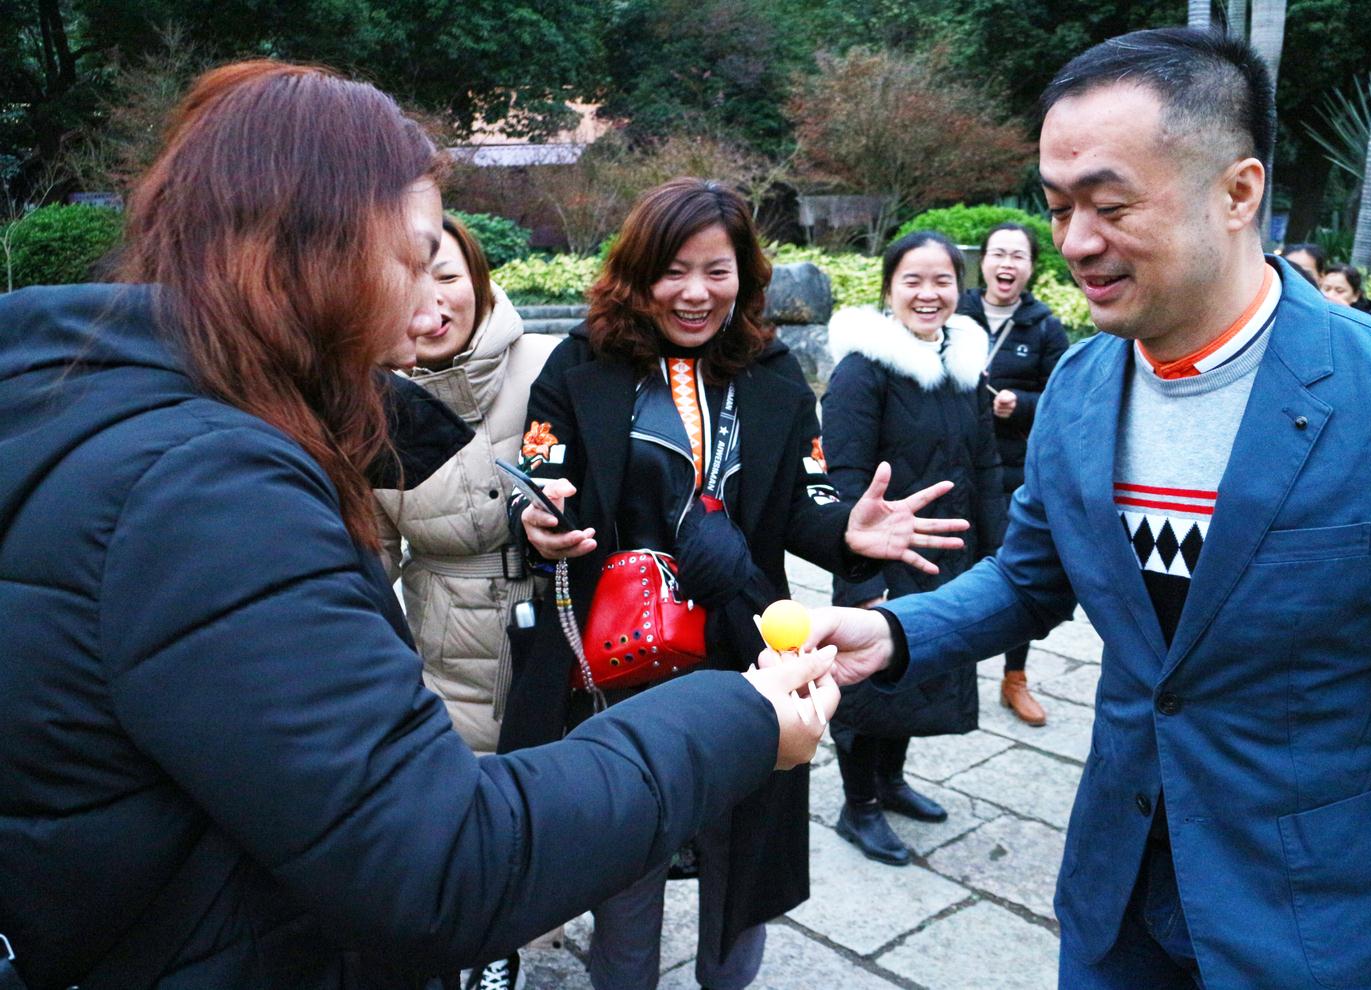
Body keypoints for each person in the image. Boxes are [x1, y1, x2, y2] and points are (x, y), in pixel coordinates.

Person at [0, 62, 842, 990]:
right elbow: (442, 866)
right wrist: (741, 716)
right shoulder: (205, 488)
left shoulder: (97, 411)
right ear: (313, 249)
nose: (433, 307)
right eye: (412, 259)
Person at [811, 28, 1371, 989]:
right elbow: (1031, 576)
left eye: (1109, 206)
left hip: (1314, 923)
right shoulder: (1081, 386)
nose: (1074, 243)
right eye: (1058, 207)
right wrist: (895, 633)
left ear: (1238, 192)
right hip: (1115, 902)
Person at [499, 177, 966, 990]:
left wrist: (847, 531)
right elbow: (541, 479)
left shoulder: (772, 373)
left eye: (716, 271)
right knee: (625, 863)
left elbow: (806, 501)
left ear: (744, 275)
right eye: (672, 270)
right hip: (616, 662)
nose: (694, 293)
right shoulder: (580, 366)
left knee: (743, 857)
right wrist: (538, 520)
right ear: (636, 273)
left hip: (748, 650)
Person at [819, 230, 1005, 866]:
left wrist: (999, 555)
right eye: (913, 281)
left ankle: (890, 782)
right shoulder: (862, 371)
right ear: (888, 289)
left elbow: (985, 464)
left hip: (948, 553)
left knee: (919, 669)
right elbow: (843, 478)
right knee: (867, 681)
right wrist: (862, 575)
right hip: (881, 556)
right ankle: (859, 805)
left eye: (942, 281)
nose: (929, 294)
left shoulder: (963, 366)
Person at [375, 215, 558, 756]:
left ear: (478, 279)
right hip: (444, 669)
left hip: (566, 641)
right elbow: (370, 557)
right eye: (407, 278)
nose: (430, 300)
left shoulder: (553, 365)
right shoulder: (370, 403)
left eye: (448, 277)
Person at [957, 221, 1071, 726]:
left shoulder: (1044, 327)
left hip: (1012, 469)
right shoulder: (954, 313)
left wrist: (1020, 404)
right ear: (982, 261)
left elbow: (1065, 400)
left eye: (1018, 256)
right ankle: (947, 667)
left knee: (1018, 570)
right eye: (998, 253)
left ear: (1031, 267)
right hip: (953, 462)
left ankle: (1014, 677)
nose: (1007, 264)